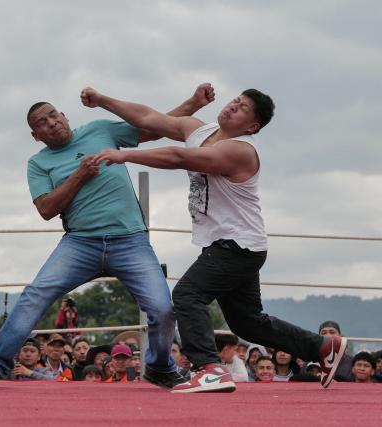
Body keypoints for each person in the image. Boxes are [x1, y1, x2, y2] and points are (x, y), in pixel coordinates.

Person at [82, 85, 347, 393]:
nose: (234, 106)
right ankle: (323, 347)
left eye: (243, 108)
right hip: (236, 244)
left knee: (187, 295)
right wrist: (102, 101)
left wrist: (126, 154)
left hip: (237, 244)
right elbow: (148, 117)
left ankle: (209, 368)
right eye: (236, 100)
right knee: (247, 323)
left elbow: (179, 157)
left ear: (252, 126)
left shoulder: (240, 150)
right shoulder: (199, 130)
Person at [0, 84, 215, 390]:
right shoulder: (38, 163)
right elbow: (46, 209)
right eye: (42, 123)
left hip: (130, 240)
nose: (51, 123)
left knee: (161, 309)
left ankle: (159, 365)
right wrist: (79, 176)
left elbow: (154, 126)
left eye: (53, 115)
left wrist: (194, 103)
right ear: (35, 136)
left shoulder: (99, 129)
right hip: (80, 242)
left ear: (64, 116)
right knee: (34, 295)